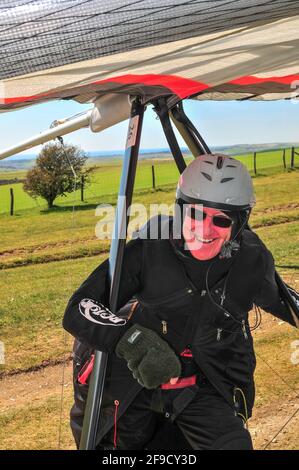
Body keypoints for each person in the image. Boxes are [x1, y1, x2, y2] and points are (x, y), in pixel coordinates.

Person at [63, 154, 299, 450]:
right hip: (133, 381)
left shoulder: (250, 260)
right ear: (180, 209)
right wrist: (132, 340)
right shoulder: (151, 248)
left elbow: (284, 301)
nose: (204, 229)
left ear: (240, 223)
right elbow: (79, 307)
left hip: (198, 384)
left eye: (222, 219)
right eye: (196, 214)